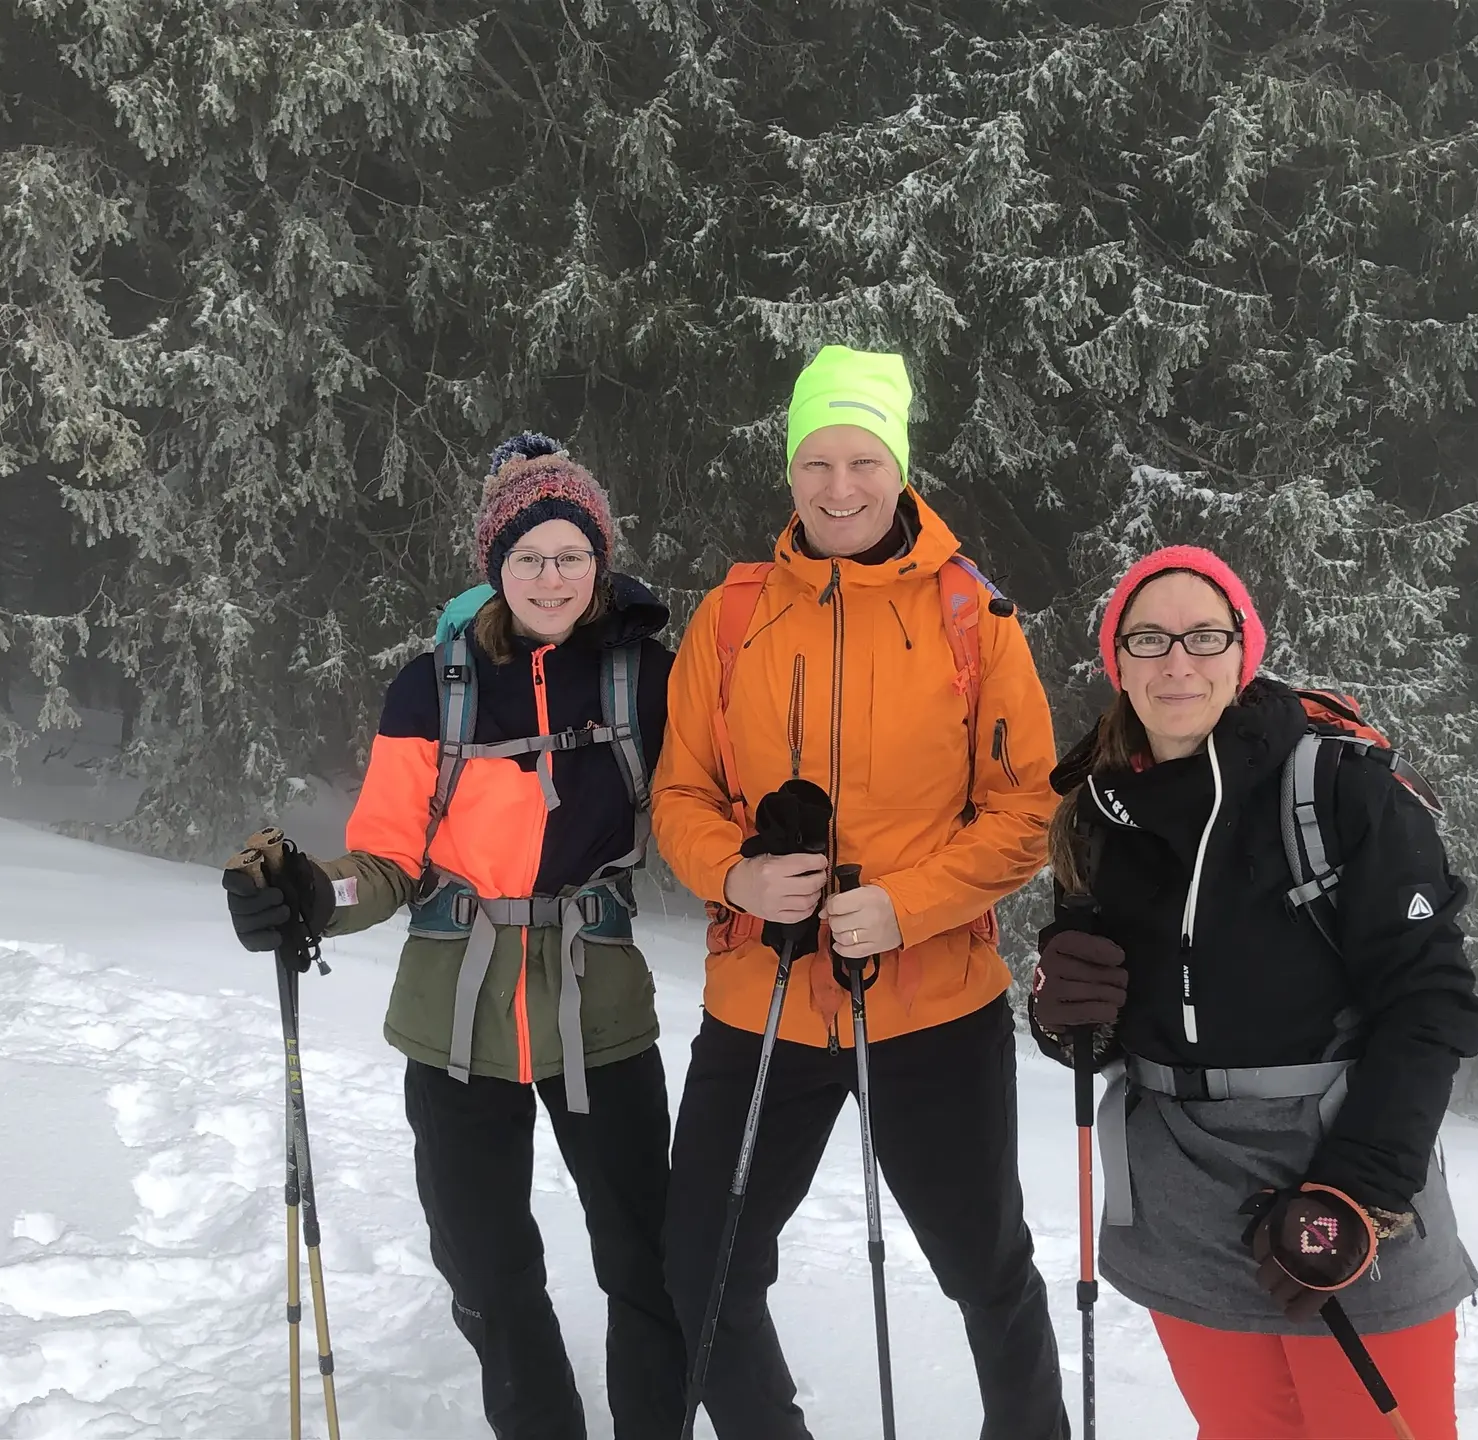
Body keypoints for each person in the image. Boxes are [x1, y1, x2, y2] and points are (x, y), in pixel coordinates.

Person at [222, 433, 684, 1439]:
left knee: (646, 1256)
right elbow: (384, 861)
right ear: (495, 565)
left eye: (571, 554)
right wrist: (311, 895)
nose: (551, 577)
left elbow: (705, 813)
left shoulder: (644, 677)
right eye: (529, 556)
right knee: (484, 1264)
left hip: (598, 1008)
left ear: (600, 560)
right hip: (455, 1020)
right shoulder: (430, 687)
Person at [652, 345, 1068, 1439]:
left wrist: (907, 905)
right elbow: (680, 794)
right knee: (702, 1265)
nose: (840, 488)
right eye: (817, 462)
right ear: (790, 470)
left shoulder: (974, 616)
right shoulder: (731, 616)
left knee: (986, 1269)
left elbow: (1028, 810)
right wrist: (737, 872)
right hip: (764, 998)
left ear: (901, 467)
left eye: (864, 461)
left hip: (932, 1002)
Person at [1032, 544, 1478, 1440]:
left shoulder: (1339, 788)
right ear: (1116, 661)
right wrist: (1064, 1014)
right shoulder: (1097, 813)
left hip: (1342, 1167)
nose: (1177, 662)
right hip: (1180, 1189)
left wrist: (1359, 1188)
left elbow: (1431, 1003)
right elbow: (1116, 1025)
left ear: (1245, 651)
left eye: (1205, 636)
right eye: (1148, 638)